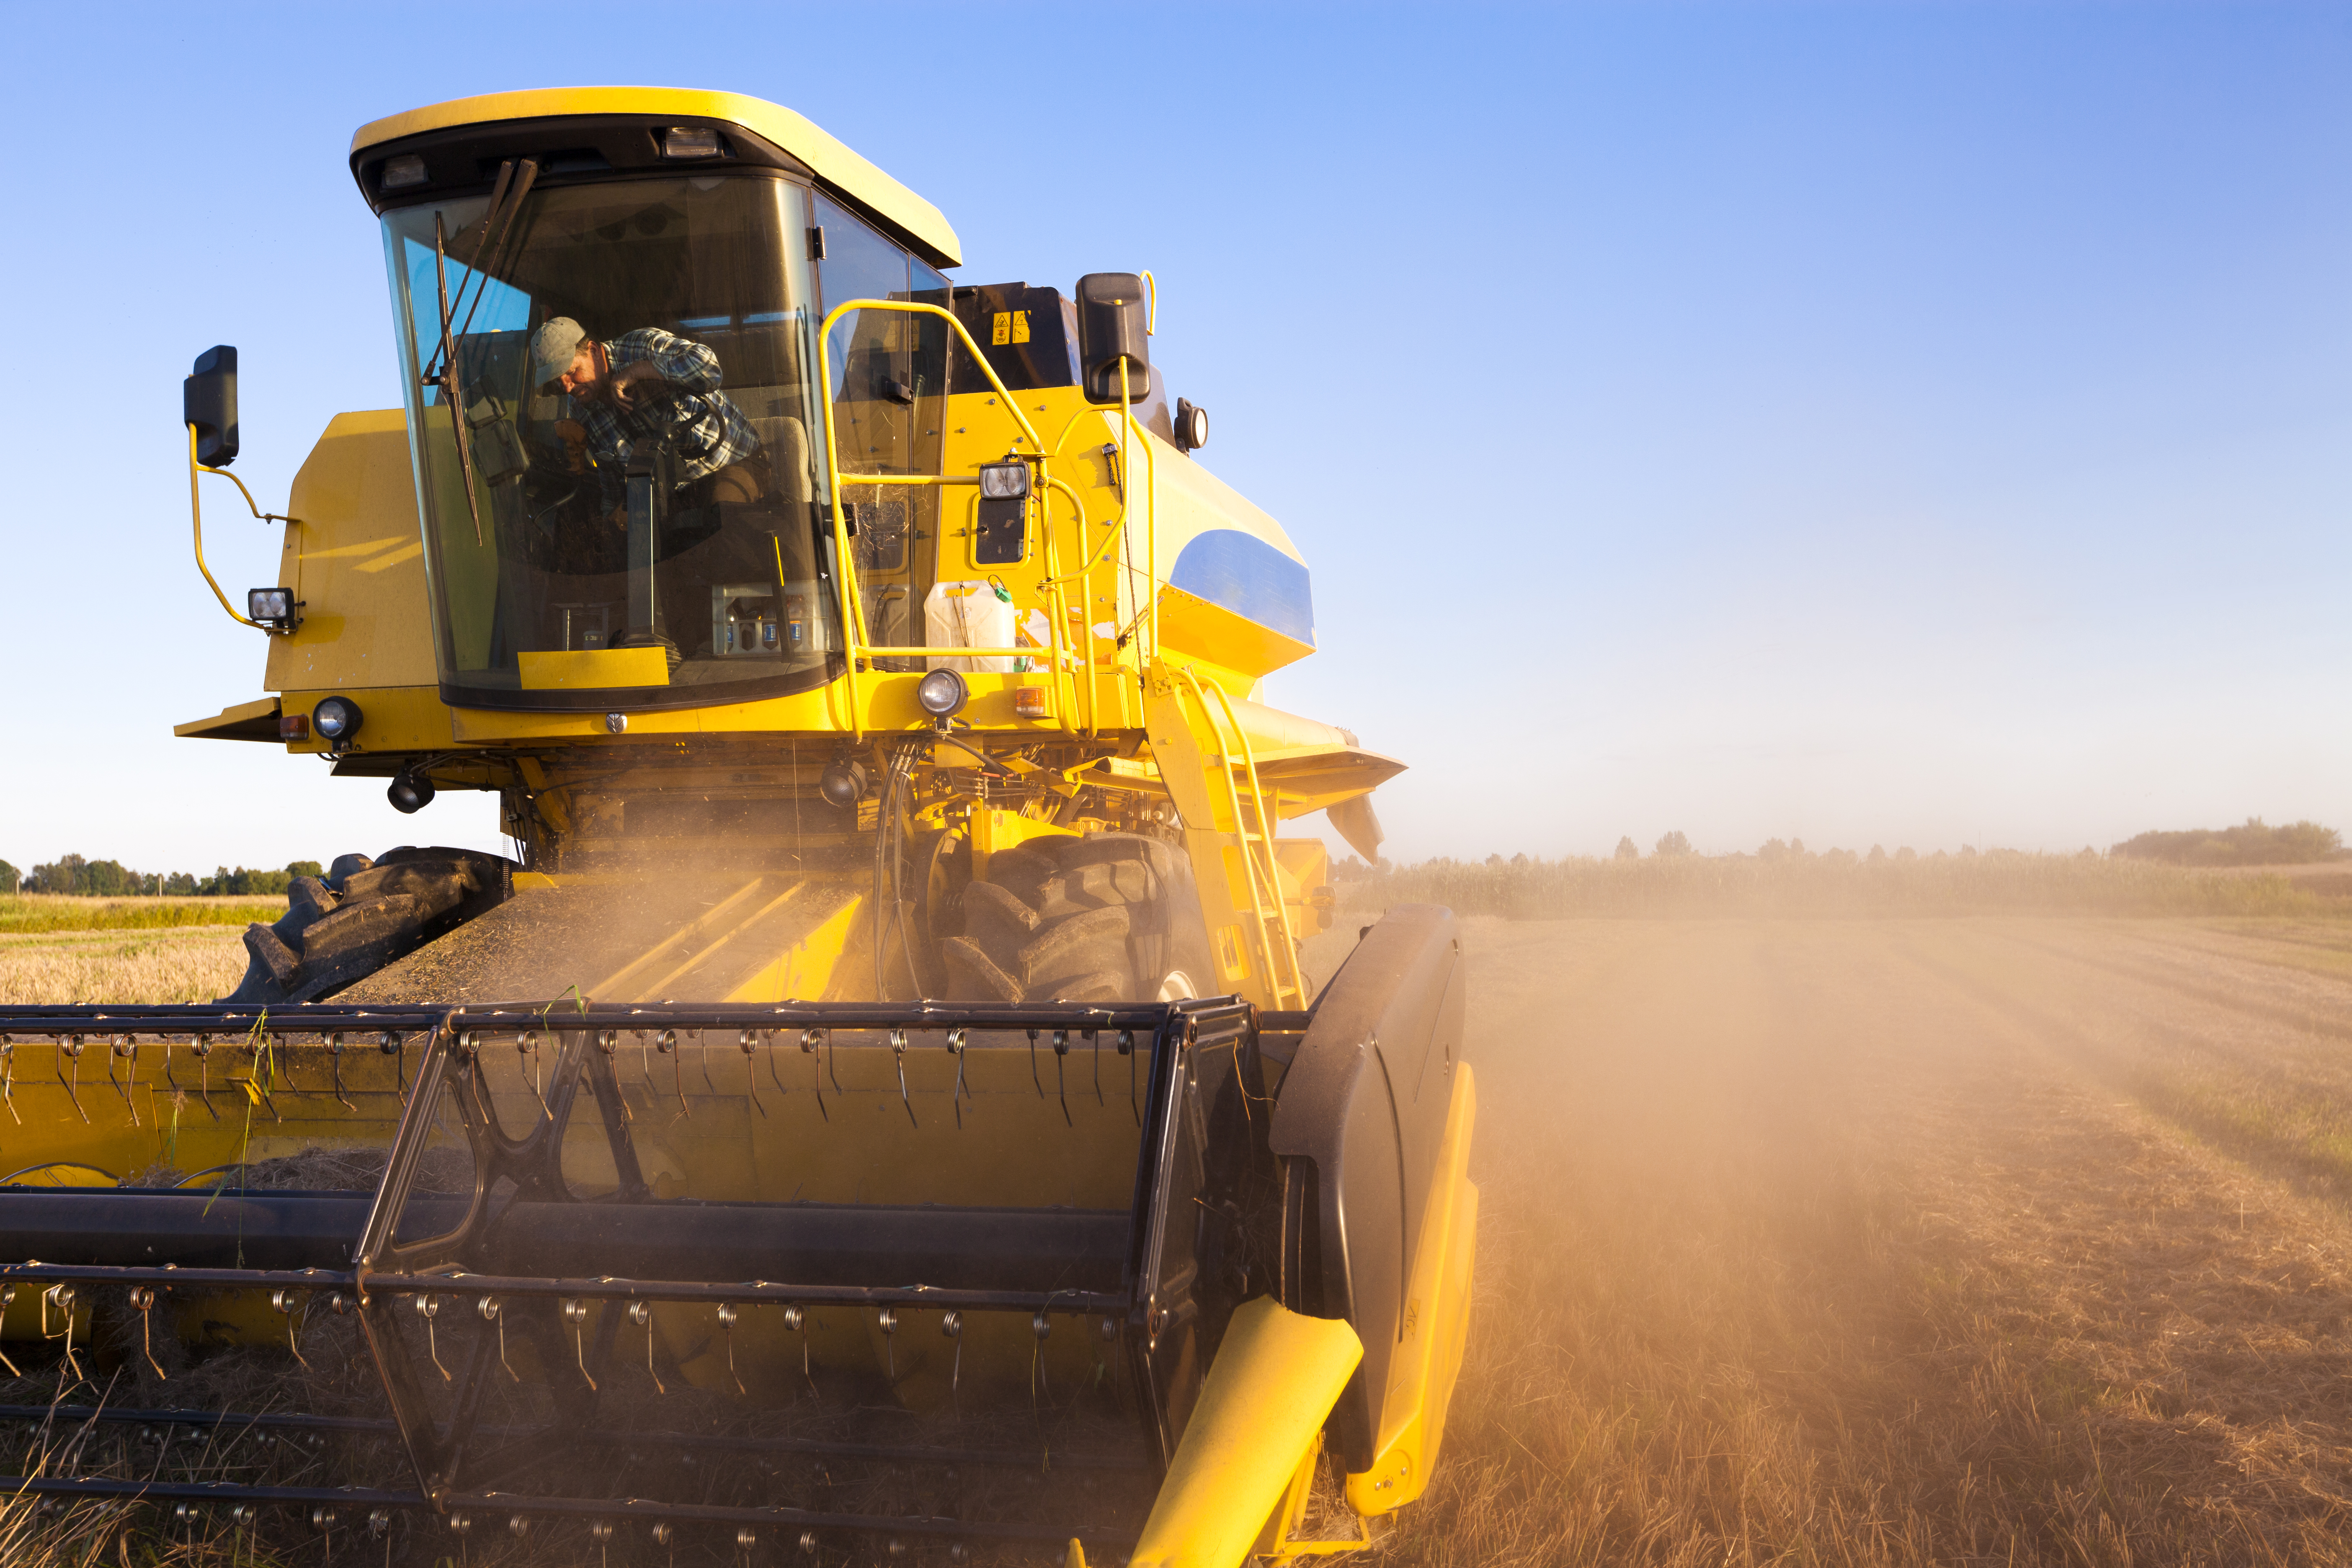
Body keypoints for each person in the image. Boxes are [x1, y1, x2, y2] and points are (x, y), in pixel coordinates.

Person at [529, 317, 764, 522]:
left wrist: (636, 372)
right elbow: (609, 476)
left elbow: (710, 368)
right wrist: (611, 519)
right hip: (669, 492)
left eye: (571, 372)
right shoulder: (581, 408)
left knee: (724, 525)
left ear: (592, 351)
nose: (568, 387)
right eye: (559, 382)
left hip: (731, 463)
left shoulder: (641, 346)